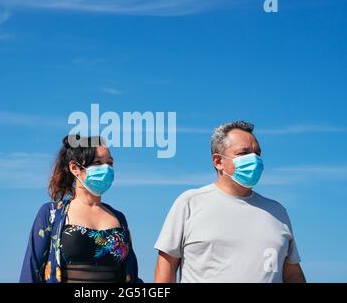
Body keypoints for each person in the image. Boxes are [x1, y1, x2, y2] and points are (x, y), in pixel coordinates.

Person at [154, 121, 306, 283]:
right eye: (244, 153)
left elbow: (292, 274)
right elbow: (166, 268)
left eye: (257, 153)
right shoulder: (190, 203)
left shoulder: (277, 212)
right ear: (218, 161)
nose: (254, 159)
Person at [20, 134, 142, 283]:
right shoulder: (51, 214)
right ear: (74, 168)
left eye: (109, 163)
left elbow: (132, 275)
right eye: (97, 163)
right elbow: (31, 270)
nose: (106, 169)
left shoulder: (119, 218)